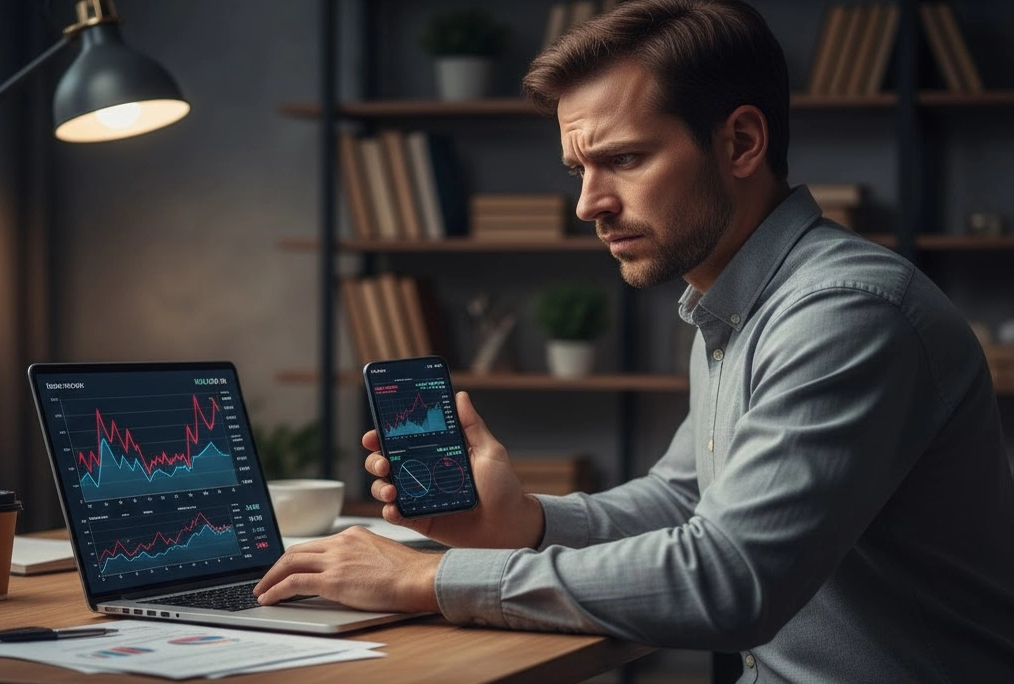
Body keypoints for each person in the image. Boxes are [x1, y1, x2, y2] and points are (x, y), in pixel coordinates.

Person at [255, 1, 1014, 681]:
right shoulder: (734, 301)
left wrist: (429, 577)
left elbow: (728, 579)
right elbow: (684, 498)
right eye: (577, 169)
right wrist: (527, 522)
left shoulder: (844, 312)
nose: (589, 204)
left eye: (623, 159)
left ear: (741, 142)